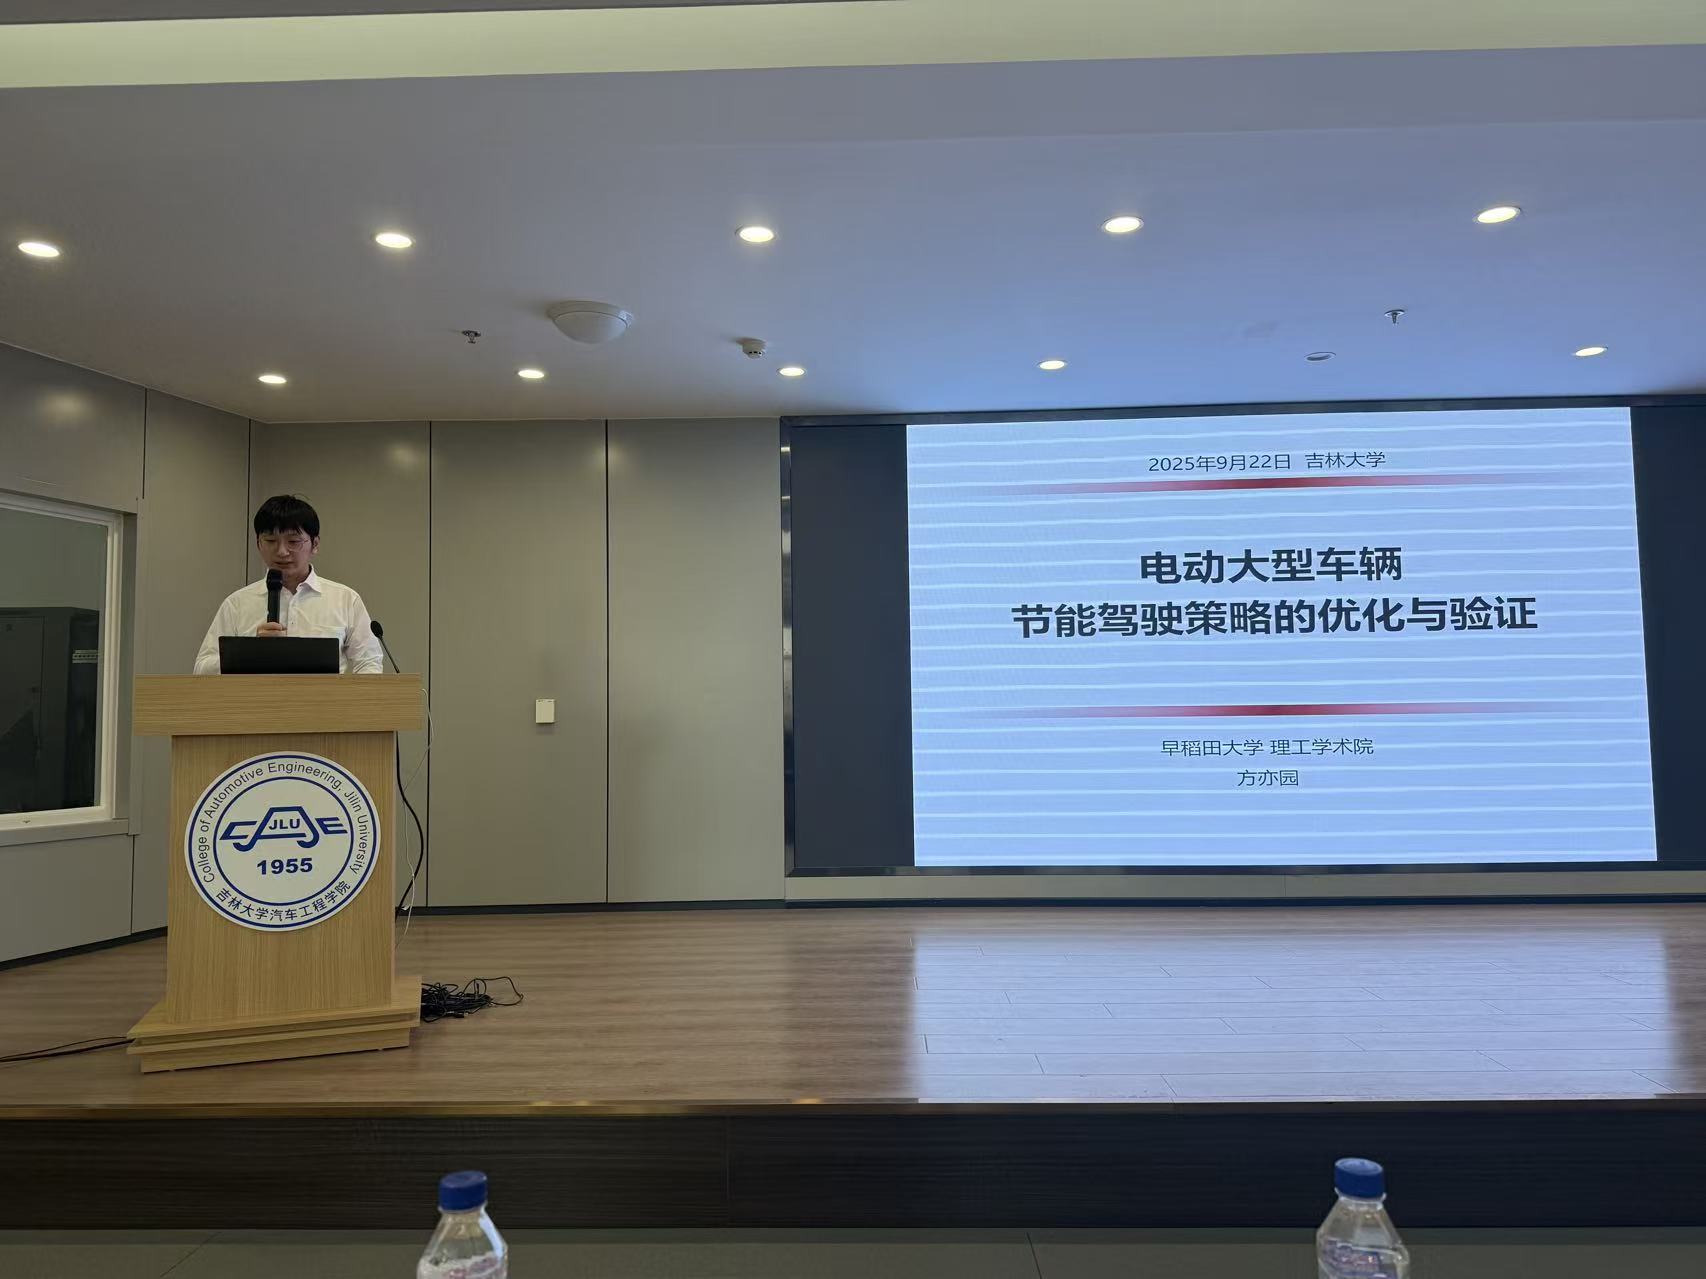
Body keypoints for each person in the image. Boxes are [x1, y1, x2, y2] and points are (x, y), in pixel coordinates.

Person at [193, 494, 384, 675]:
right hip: (256, 699)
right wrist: (249, 652)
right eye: (270, 540)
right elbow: (202, 669)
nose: (282, 551)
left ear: (315, 544)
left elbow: (369, 663)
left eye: (293, 541)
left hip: (325, 699)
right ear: (259, 544)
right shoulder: (237, 604)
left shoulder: (345, 599)